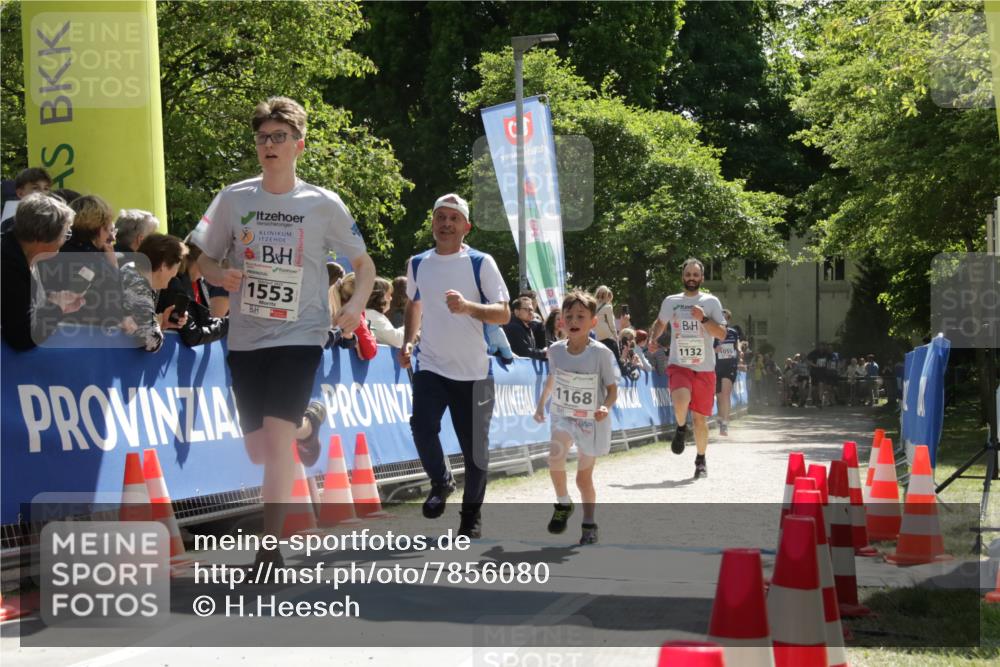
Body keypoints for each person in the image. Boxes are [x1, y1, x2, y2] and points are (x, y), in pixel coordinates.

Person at [194, 97, 375, 565]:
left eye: (278, 137)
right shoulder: (234, 198)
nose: (268, 145)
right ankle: (308, 422)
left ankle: (268, 549)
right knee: (260, 450)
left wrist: (356, 304)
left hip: (302, 333)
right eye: (262, 138)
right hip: (247, 335)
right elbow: (200, 257)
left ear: (299, 144)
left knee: (274, 443)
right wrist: (218, 275)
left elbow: (363, 264)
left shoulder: (322, 204)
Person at [399, 193, 509, 539]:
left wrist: (468, 307)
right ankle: (441, 481)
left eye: (453, 219)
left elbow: (504, 313)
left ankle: (470, 519)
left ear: (466, 227)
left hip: (474, 372)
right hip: (431, 364)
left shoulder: (481, 262)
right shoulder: (418, 263)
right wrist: (408, 339)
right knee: (422, 425)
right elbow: (414, 304)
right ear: (432, 223)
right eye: (440, 217)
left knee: (476, 453)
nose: (446, 224)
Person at [534, 291, 619, 545]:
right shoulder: (556, 351)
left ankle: (589, 522)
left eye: (581, 316)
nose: (574, 320)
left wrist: (605, 407)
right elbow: (553, 379)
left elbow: (613, 389)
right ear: (561, 321)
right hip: (563, 416)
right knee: (555, 456)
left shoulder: (601, 354)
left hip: (591, 420)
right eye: (569, 315)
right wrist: (541, 405)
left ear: (593, 322)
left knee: (584, 479)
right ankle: (562, 503)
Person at [648, 258, 727, 479]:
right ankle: (681, 427)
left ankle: (701, 459)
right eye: (688, 274)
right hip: (679, 364)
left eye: (695, 274)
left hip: (704, 368)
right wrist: (654, 338)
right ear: (682, 277)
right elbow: (660, 322)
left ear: (701, 278)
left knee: (700, 419)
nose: (691, 278)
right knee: (681, 401)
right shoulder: (671, 301)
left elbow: (721, 334)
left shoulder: (711, 302)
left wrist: (703, 319)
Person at [1, 193, 85, 350]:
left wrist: (52, 300)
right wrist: (57, 308)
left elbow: (22, 309)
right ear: (43, 236)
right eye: (66, 234)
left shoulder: (24, 256)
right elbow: (22, 337)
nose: (66, 240)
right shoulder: (7, 265)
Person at [55, 195, 125, 330]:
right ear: (100, 228)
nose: (110, 236)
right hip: (85, 340)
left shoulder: (51, 251)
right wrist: (113, 269)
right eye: (108, 229)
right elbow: (113, 316)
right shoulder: (100, 265)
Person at [155, 236, 229, 347]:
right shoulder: (174, 284)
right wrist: (229, 323)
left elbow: (207, 322)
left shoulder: (201, 284)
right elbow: (192, 336)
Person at [120, 234, 189, 351]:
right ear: (163, 265)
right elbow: (151, 342)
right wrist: (158, 322)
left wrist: (161, 321)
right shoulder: (138, 284)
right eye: (176, 266)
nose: (176, 273)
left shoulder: (130, 269)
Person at [713, 308, 742, 436]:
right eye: (720, 316)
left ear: (728, 319)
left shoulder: (733, 333)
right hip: (715, 366)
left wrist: (739, 352)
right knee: (719, 396)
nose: (723, 319)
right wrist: (714, 349)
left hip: (729, 365)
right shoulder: (712, 332)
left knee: (725, 394)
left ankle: (725, 424)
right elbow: (707, 348)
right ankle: (721, 416)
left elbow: (737, 346)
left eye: (725, 317)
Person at [0, 167, 52, 231]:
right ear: (20, 193)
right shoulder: (8, 225)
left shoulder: (56, 221)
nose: (42, 192)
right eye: (35, 188)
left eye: (46, 188)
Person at [503, 295, 547, 360]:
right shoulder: (514, 327)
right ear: (517, 312)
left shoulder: (528, 328)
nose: (531, 312)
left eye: (532, 310)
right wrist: (544, 353)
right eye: (527, 309)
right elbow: (523, 352)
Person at [365, 276, 404, 348]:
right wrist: (413, 324)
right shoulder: (372, 315)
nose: (391, 298)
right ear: (380, 296)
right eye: (389, 294)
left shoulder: (372, 314)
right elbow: (397, 340)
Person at [593, 285, 621, 364]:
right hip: (606, 334)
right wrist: (615, 336)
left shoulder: (592, 306)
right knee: (615, 355)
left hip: (595, 335)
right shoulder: (608, 307)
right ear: (607, 296)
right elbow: (611, 323)